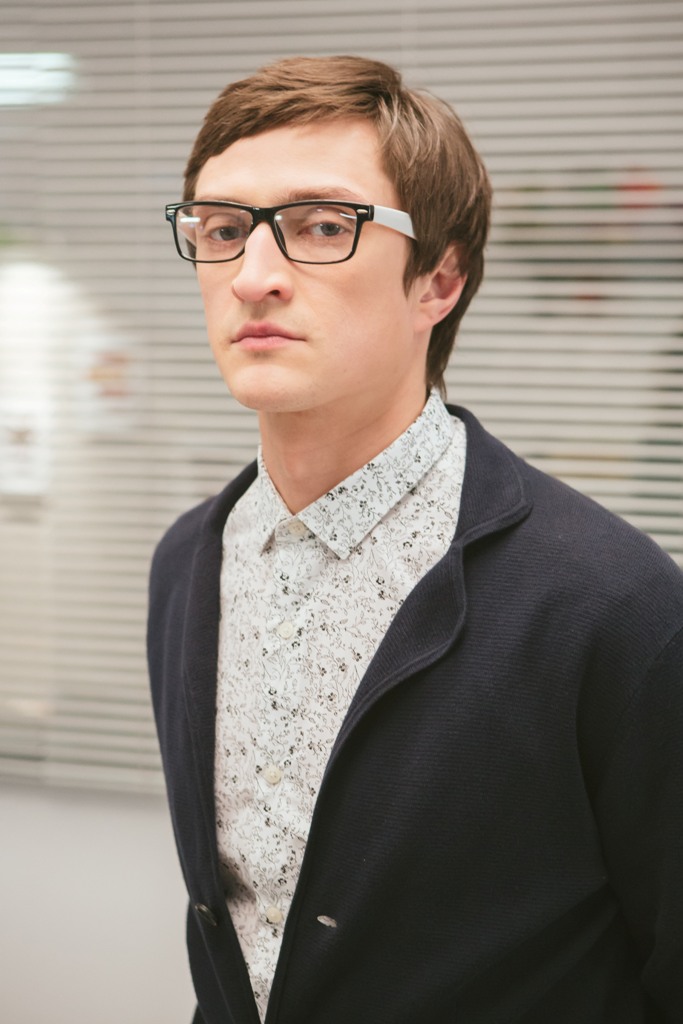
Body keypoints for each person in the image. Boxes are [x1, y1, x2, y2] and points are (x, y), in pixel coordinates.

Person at [147, 55, 683, 1024]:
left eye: (321, 226)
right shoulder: (189, 561)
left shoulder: (609, 600)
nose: (253, 277)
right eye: (222, 230)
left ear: (438, 280)